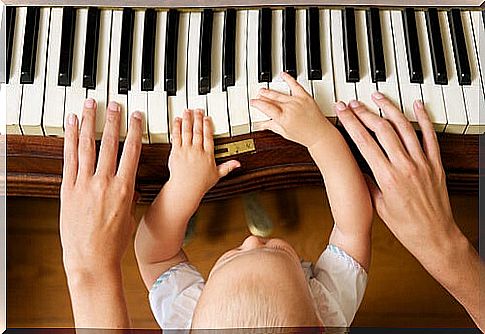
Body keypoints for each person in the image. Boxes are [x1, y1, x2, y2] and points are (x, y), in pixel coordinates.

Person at [59, 74, 482, 330]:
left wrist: (183, 188)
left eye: (228, 257)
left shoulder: (184, 318)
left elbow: (154, 254)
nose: (251, 240)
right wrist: (320, 137)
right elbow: (352, 226)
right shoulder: (328, 312)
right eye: (278, 251)